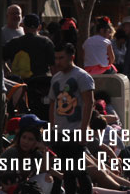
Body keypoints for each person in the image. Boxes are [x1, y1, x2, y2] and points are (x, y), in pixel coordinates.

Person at [48, 43, 95, 194]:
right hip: (60, 132)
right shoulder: (55, 78)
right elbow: (52, 104)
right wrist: (52, 128)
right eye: (56, 58)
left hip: (75, 130)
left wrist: (83, 129)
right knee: (66, 173)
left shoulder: (82, 76)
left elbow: (89, 102)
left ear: (71, 57)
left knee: (79, 171)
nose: (58, 61)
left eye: (61, 58)